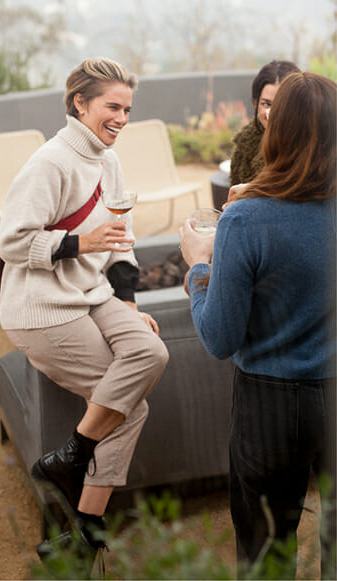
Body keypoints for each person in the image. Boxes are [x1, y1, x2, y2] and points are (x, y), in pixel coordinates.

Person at [0, 57, 169, 555]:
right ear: (80, 103)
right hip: (42, 307)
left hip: (94, 294)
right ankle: (86, 531)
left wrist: (130, 302)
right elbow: (11, 243)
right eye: (112, 106)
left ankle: (70, 455)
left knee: (152, 353)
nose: (122, 118)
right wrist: (78, 242)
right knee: (128, 407)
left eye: (128, 109)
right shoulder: (49, 162)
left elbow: (120, 241)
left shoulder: (108, 161)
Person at [179, 71, 336, 578]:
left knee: (266, 558)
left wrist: (200, 266)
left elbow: (219, 337)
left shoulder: (245, 220)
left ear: (276, 132)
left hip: (270, 407)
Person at [229, 59, 300, 187]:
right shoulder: (244, 144)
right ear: (256, 103)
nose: (272, 113)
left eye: (281, 104)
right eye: (266, 104)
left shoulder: (309, 149)